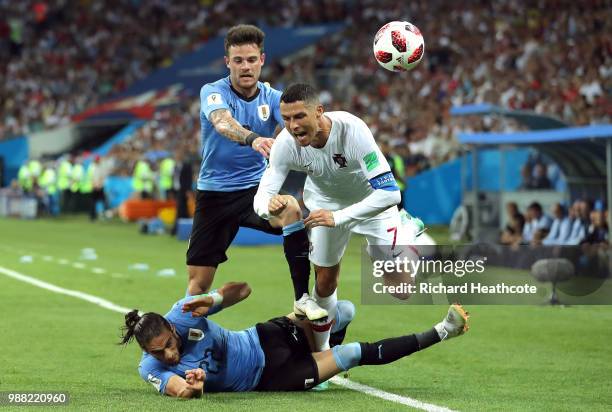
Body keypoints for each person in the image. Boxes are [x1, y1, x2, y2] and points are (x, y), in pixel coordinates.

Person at [253, 83, 422, 354]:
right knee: (324, 282)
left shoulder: (353, 131)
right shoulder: (286, 144)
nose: (292, 126)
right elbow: (262, 196)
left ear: (319, 111)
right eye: (286, 118)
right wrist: (269, 207)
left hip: (371, 204)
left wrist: (339, 217)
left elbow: (390, 194)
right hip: (324, 207)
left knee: (401, 290)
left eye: (299, 117)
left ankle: (408, 231)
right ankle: (321, 355)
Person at [120, 282, 469, 398]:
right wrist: (194, 388)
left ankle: (324, 348)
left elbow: (243, 290)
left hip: (264, 336)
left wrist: (212, 300)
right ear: (145, 352)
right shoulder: (149, 368)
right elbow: (179, 390)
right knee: (351, 354)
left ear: (170, 325)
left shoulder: (184, 312)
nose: (169, 353)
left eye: (169, 343)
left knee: (343, 310)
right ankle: (443, 331)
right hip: (270, 378)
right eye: (159, 351)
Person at [189, 25, 324, 321]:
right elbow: (222, 123)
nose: (245, 66)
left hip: (254, 191)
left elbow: (297, 126)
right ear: (228, 63)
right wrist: (254, 138)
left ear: (262, 59)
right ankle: (188, 335)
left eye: (251, 59)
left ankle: (302, 298)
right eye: (238, 60)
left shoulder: (275, 98)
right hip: (213, 194)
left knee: (291, 210)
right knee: (198, 284)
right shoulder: (212, 92)